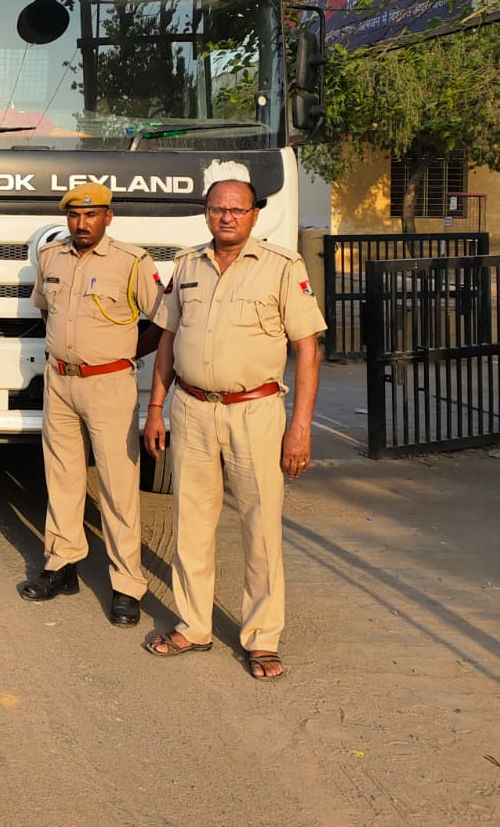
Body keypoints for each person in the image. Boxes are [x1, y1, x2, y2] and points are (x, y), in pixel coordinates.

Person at [142, 177, 325, 681]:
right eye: (218, 209)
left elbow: (307, 348)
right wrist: (156, 406)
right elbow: (167, 339)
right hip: (192, 409)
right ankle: (193, 624)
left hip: (256, 412)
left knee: (260, 529)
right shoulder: (186, 265)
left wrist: (301, 427)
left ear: (253, 215)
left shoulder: (283, 267)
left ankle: (262, 639)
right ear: (206, 213)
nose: (227, 218)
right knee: (191, 524)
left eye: (237, 210)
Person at [19, 182, 161, 628]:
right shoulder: (52, 257)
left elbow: (162, 320)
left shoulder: (133, 261)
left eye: (92, 215)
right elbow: (47, 310)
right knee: (61, 477)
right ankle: (62, 564)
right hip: (60, 379)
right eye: (75, 216)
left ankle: (126, 585)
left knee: (119, 486)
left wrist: (126, 354)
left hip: (110, 384)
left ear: (108, 217)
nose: (82, 223)